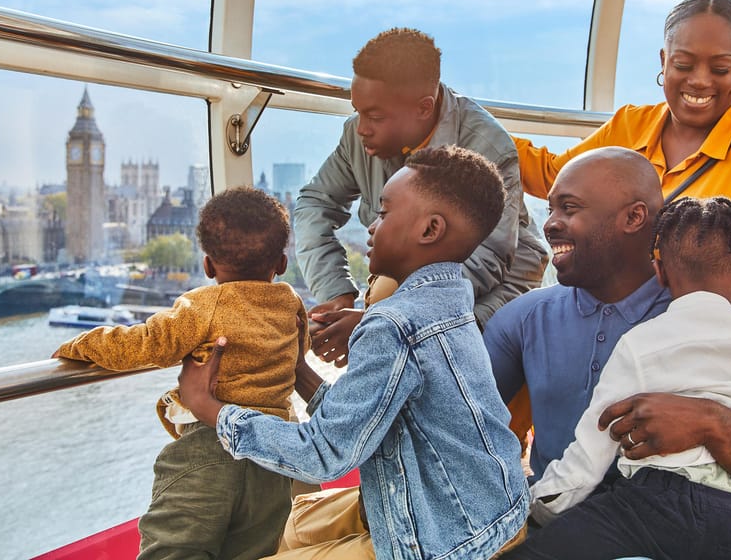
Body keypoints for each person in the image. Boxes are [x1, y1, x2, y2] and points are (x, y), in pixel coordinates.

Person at [508, 0, 731, 539]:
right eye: (684, 64)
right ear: (662, 61)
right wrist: (457, 128)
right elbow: (562, 175)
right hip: (633, 339)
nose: (700, 80)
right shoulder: (631, 126)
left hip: (710, 361)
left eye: (720, 68)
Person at [179, 146, 530, 560]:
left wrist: (209, 407)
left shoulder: (393, 325)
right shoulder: (450, 299)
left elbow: (323, 455)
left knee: (271, 536)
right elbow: (363, 417)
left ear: (430, 229)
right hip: (494, 512)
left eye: (382, 213)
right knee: (291, 524)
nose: (370, 226)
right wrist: (298, 371)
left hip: (451, 543)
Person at [485, 148, 731, 532]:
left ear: (634, 217)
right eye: (551, 209)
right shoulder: (522, 320)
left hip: (683, 538)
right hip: (562, 534)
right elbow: (456, 434)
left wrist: (711, 422)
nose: (550, 224)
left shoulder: (726, 328)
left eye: (569, 209)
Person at [53, 186, 308, 560]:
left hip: (208, 447)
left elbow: (145, 344)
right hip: (271, 455)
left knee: (173, 549)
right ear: (282, 263)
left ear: (207, 265)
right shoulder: (290, 302)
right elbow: (301, 351)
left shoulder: (202, 306)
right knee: (253, 551)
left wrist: (79, 346)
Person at [293, 27, 547, 365]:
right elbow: (315, 204)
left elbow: (488, 261)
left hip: (493, 286)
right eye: (357, 111)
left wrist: (381, 320)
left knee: (434, 354)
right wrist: (336, 294)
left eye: (375, 115)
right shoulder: (358, 136)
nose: (360, 128)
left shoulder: (488, 145)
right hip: (400, 290)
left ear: (424, 108)